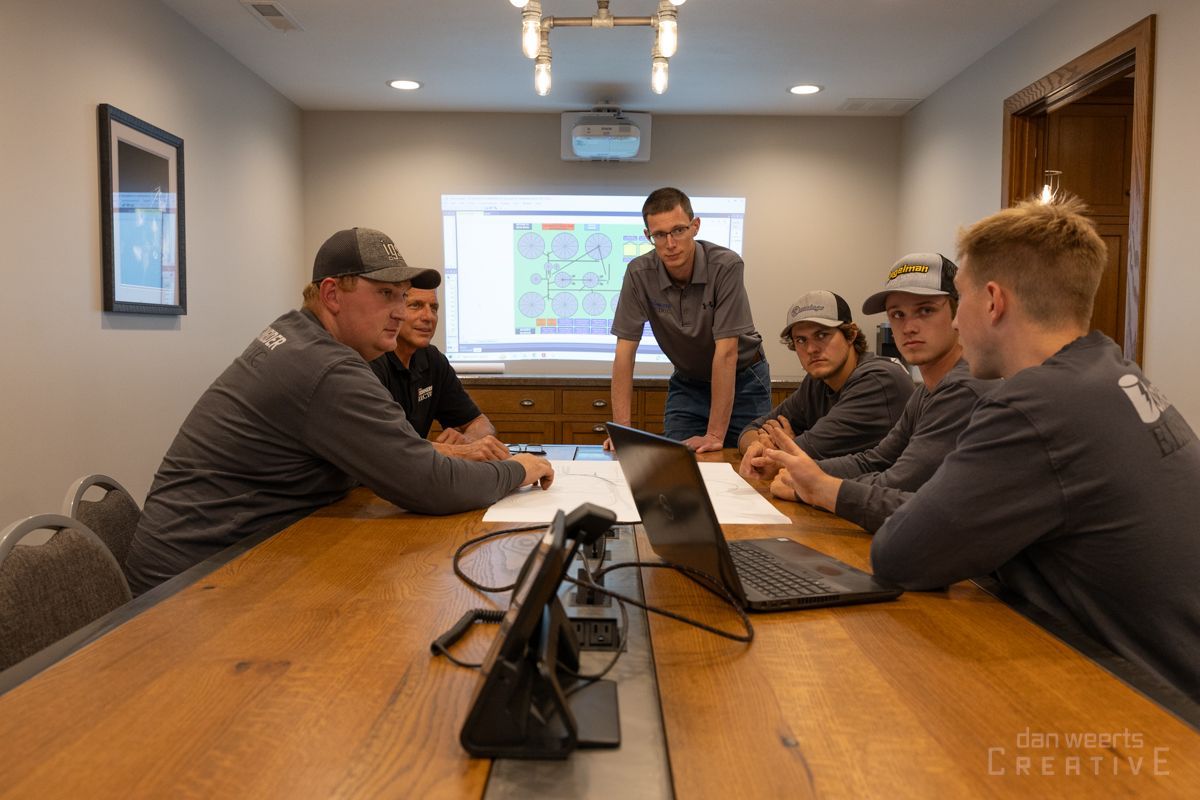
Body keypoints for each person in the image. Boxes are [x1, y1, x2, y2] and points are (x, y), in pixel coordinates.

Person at [789, 199, 1200, 699]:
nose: (957, 323)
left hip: (1160, 714)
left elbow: (901, 556)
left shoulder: (1036, 405)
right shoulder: (1112, 370)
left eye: (956, 302)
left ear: (992, 301)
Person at [125, 227, 554, 595]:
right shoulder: (326, 367)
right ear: (332, 294)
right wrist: (520, 468)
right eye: (387, 295)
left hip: (222, 557)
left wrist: (427, 457)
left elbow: (398, 462)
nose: (401, 312)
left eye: (404, 297)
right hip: (191, 586)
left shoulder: (296, 334)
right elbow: (430, 486)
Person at [763, 255, 996, 532]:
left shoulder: (963, 388)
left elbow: (897, 482)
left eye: (925, 311)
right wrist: (801, 473)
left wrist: (813, 488)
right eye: (897, 314)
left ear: (958, 313)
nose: (908, 327)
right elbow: (875, 460)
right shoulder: (928, 391)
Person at [608, 187, 770, 453]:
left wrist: (715, 434)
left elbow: (727, 352)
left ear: (695, 227)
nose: (670, 244)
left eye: (678, 231)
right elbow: (624, 353)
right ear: (648, 236)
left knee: (747, 465)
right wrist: (621, 431)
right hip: (689, 382)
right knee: (679, 464)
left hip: (744, 379)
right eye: (660, 235)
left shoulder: (726, 266)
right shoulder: (639, 274)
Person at [738, 290, 913, 480]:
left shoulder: (880, 380)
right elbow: (749, 431)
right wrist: (758, 445)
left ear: (851, 334)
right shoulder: (816, 382)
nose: (811, 349)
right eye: (801, 340)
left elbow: (801, 454)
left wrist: (782, 449)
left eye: (822, 335)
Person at [371, 287, 506, 461]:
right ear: (394, 311)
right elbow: (384, 446)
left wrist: (469, 441)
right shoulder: (370, 360)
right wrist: (459, 452)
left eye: (434, 308)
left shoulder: (432, 359)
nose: (429, 317)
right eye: (416, 305)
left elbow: (480, 423)